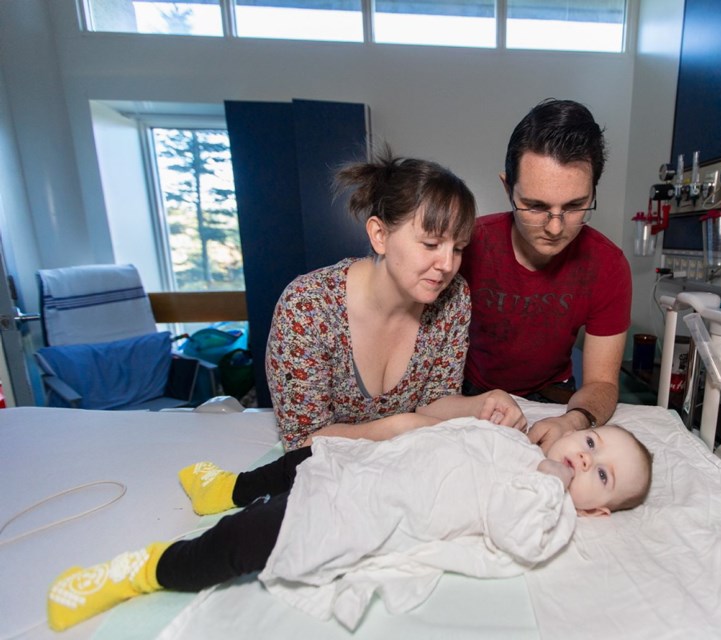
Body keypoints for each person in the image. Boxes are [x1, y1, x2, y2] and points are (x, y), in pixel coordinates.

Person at [46, 420, 652, 631]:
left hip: (377, 512)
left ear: (596, 510)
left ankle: (145, 570)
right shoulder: (525, 444)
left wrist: (550, 477)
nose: (585, 459)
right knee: (312, 455)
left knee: (257, 538)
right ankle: (227, 487)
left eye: (601, 476)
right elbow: (451, 437)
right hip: (378, 468)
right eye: (593, 443)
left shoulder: (551, 508)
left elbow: (517, 533)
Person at [264, 150, 526, 452]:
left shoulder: (452, 299)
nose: (447, 264)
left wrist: (483, 403)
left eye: (458, 248)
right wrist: (400, 426)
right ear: (379, 235)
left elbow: (433, 403)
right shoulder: (307, 307)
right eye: (431, 244)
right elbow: (301, 443)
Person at [459, 98, 632, 452]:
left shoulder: (608, 265)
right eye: (536, 206)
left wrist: (573, 420)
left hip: (554, 396)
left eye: (573, 206)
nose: (555, 227)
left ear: (594, 191)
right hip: (470, 391)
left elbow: (601, 381)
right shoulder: (467, 245)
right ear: (507, 188)